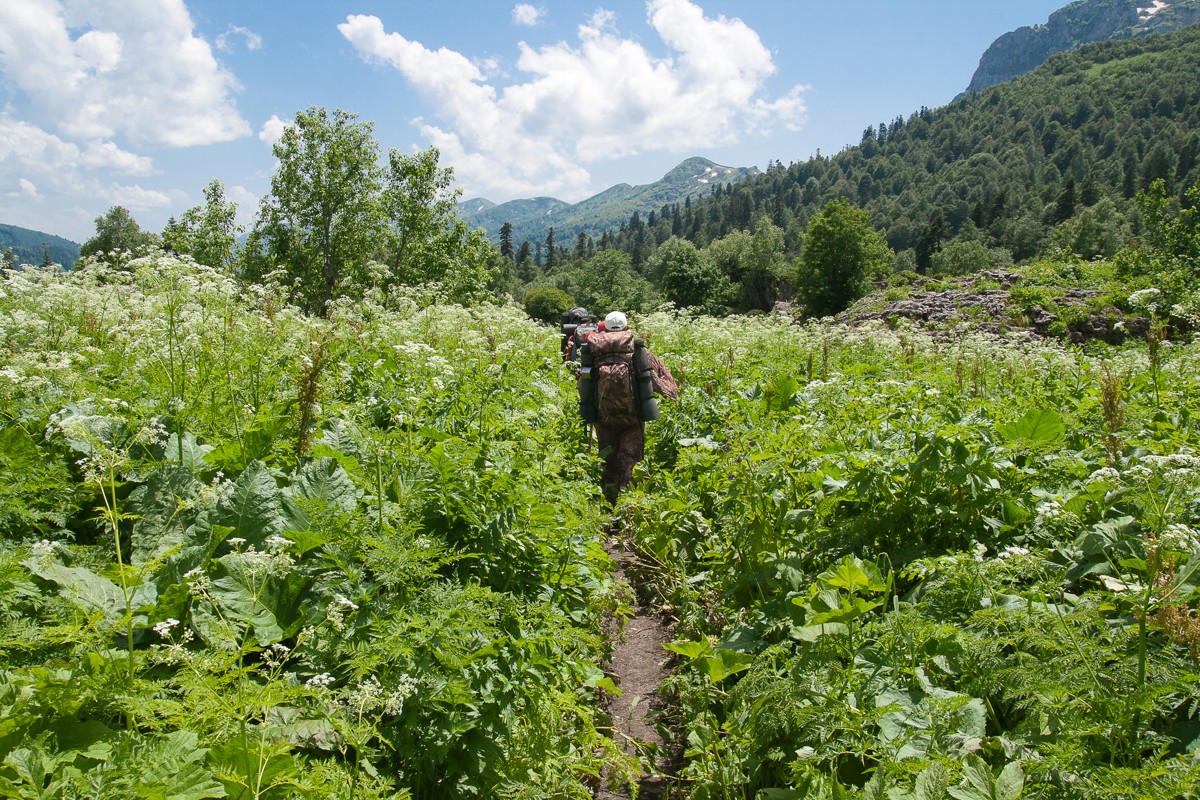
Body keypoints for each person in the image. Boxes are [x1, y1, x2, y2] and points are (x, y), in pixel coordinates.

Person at [585, 310, 678, 504]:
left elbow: (584, 383)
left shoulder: (592, 351)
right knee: (630, 462)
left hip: (604, 417)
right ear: (627, 327)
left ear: (605, 328)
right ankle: (628, 508)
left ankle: (607, 507)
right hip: (632, 417)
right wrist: (672, 395)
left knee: (608, 460)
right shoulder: (638, 351)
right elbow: (658, 382)